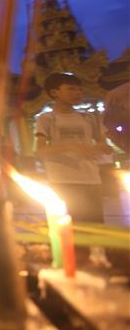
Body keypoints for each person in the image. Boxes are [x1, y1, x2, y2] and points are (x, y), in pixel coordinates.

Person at [35, 72, 111, 223]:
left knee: (96, 227)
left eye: (80, 89)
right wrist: (71, 146)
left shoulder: (88, 118)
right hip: (62, 181)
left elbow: (103, 143)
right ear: (54, 92)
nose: (78, 93)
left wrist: (103, 148)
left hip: (91, 180)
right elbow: (40, 151)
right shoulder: (47, 119)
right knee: (69, 229)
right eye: (71, 89)